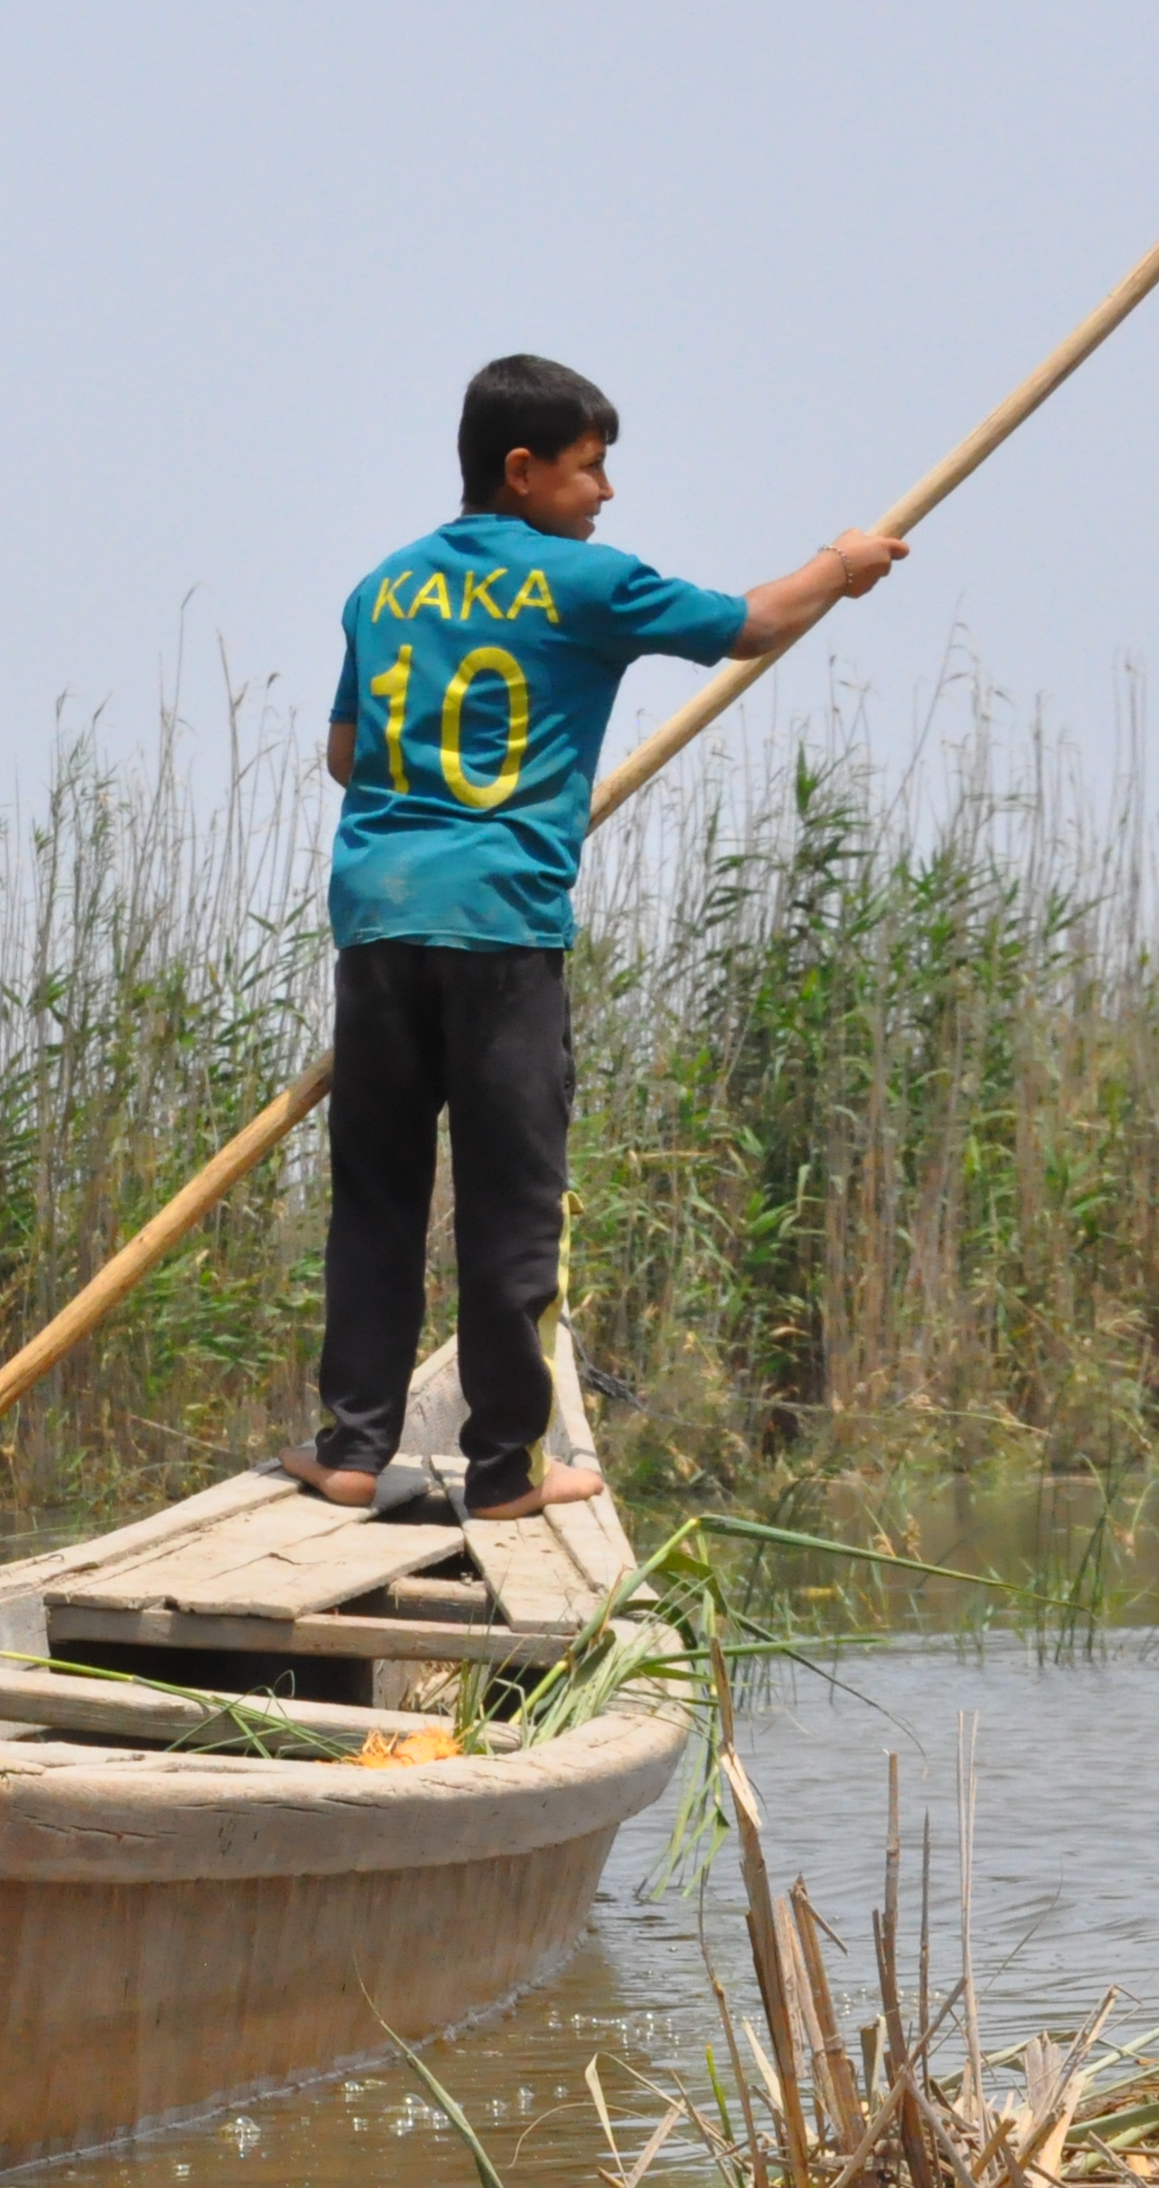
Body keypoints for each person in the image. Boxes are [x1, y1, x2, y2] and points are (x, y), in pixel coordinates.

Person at [282, 354, 905, 1520]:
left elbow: (344, 758)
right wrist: (843, 567)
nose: (605, 494)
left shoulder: (381, 589)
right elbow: (751, 624)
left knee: (374, 1193)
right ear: (521, 472)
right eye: (589, 468)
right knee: (511, 1199)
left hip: (379, 916)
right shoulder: (584, 584)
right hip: (502, 925)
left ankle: (353, 1448)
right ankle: (508, 1468)